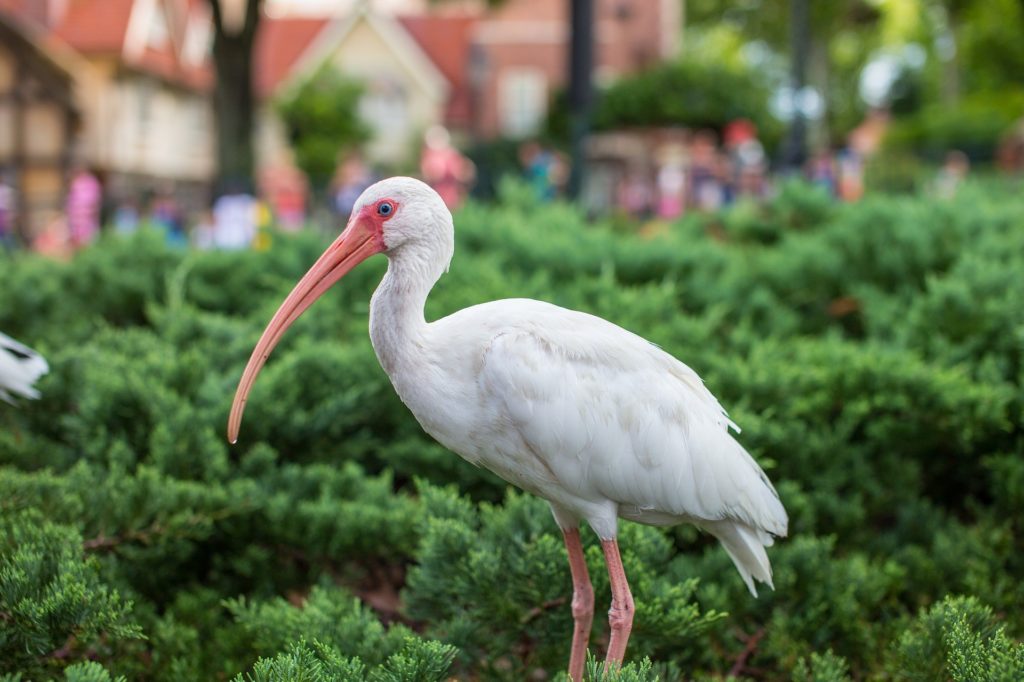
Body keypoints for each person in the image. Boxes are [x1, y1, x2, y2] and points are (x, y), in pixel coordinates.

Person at [420, 125, 474, 210]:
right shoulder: (429, 155)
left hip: (451, 198)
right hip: (437, 198)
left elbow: (465, 174)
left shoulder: (451, 154)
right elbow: (430, 175)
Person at [66, 166, 102, 248]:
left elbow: (92, 205)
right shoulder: (80, 183)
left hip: (85, 226)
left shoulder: (86, 184)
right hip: (80, 225)